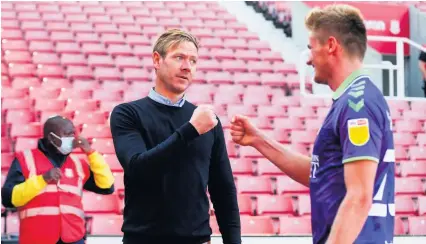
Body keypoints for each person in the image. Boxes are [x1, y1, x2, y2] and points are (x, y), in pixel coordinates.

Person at [230, 4, 395, 244]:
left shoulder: (357, 103)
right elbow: (321, 174)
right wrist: (258, 140)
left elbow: (359, 196)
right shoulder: (353, 98)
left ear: (331, 45)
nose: (308, 59)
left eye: (311, 48)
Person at [109, 29, 241, 244]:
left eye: (193, 60)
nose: (187, 66)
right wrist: (191, 130)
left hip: (197, 240)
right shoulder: (127, 113)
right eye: (179, 57)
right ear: (156, 60)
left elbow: (223, 188)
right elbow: (138, 168)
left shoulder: (207, 120)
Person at [1, 116, 115, 244]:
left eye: (73, 133)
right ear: (51, 138)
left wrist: (91, 153)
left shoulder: (78, 163)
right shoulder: (25, 159)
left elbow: (107, 186)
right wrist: (43, 179)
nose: (72, 138)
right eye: (67, 134)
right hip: (36, 239)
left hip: (74, 238)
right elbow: (9, 199)